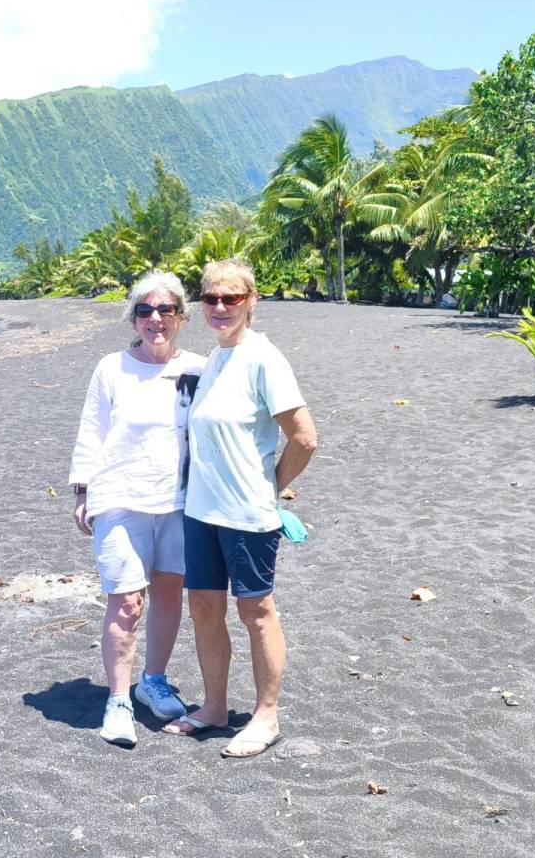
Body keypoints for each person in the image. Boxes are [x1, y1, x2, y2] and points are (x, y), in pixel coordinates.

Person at [163, 258, 319, 758]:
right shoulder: (215, 359)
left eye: (232, 297)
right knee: (204, 608)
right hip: (202, 512)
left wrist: (269, 487)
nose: (220, 307)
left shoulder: (262, 358)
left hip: (248, 514)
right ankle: (213, 707)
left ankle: (266, 716)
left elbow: (304, 438)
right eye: (210, 298)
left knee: (256, 611)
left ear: (252, 301)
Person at [69, 271, 206, 747]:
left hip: (180, 503)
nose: (155, 319)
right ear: (133, 318)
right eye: (145, 310)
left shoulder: (199, 368)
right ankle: (119, 700)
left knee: (170, 593)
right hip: (121, 499)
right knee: (127, 601)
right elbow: (92, 429)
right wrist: (83, 492)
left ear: (182, 317)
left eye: (165, 310)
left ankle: (154, 679)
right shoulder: (111, 368)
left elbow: (214, 433)